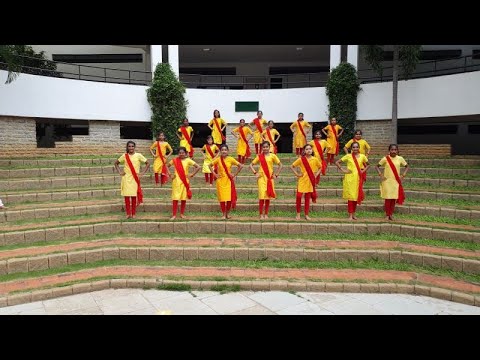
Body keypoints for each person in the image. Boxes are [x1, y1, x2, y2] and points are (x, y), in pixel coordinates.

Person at [114, 141, 150, 219]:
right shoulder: (124, 156)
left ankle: (133, 213)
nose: (131, 148)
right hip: (126, 178)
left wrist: (142, 173)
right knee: (127, 197)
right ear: (127, 147)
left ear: (134, 147)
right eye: (129, 146)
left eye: (132, 146)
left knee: (134, 196)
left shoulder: (138, 155)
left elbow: (148, 163)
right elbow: (116, 163)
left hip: (135, 178)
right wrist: (120, 172)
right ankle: (128, 214)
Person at [335, 142, 370, 221]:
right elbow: (337, 162)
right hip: (349, 179)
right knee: (351, 197)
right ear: (351, 148)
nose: (355, 149)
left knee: (355, 197)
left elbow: (368, 165)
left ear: (359, 148)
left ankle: (354, 214)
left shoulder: (362, 156)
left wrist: (363, 171)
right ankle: (350, 215)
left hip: (358, 179)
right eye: (353, 147)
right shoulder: (348, 156)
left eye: (356, 147)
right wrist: (342, 169)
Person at [249, 141, 283, 220]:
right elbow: (251, 165)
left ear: (269, 147)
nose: (265, 148)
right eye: (263, 147)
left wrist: (276, 174)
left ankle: (266, 214)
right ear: (262, 148)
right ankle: (261, 214)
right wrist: (255, 173)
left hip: (269, 178)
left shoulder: (273, 156)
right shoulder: (259, 156)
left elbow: (280, 165)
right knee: (261, 196)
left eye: (266, 147)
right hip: (261, 178)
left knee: (268, 196)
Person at [209, 144, 244, 220]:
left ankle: (227, 214)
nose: (224, 151)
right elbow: (209, 165)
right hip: (220, 181)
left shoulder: (231, 159)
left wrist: (234, 174)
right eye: (222, 150)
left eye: (225, 150)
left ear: (228, 151)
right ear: (220, 151)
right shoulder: (218, 159)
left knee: (228, 199)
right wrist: (215, 174)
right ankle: (223, 214)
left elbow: (240, 166)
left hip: (228, 181)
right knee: (222, 199)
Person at [375, 144, 409, 221]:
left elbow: (407, 166)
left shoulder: (400, 158)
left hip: (395, 181)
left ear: (397, 151)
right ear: (389, 150)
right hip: (387, 181)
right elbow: (377, 166)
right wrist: (381, 175)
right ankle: (387, 215)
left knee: (393, 198)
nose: (393, 151)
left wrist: (403, 175)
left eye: (395, 150)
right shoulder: (385, 158)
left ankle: (391, 214)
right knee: (387, 198)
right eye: (392, 150)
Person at [167, 146, 201, 220]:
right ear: (178, 153)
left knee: (183, 198)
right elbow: (167, 166)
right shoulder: (174, 160)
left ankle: (182, 214)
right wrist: (170, 174)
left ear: (185, 153)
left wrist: (192, 174)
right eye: (179, 153)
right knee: (175, 198)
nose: (181, 154)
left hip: (185, 182)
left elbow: (198, 167)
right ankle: (174, 215)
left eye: (182, 153)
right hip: (176, 182)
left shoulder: (188, 160)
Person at [290, 144, 322, 221]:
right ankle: (298, 213)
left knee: (307, 198)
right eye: (307, 149)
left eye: (310, 149)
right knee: (298, 196)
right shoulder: (301, 159)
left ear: (312, 150)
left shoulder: (315, 159)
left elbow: (320, 167)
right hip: (302, 180)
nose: (309, 150)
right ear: (304, 151)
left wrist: (316, 175)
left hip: (311, 181)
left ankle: (306, 214)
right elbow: (292, 166)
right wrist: (297, 174)